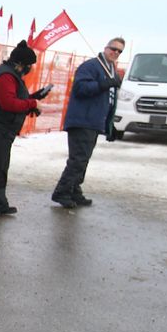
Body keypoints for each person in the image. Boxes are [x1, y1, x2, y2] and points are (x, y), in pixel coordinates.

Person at [0, 41, 48, 217]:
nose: (30, 69)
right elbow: (8, 103)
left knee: (0, 167)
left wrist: (30, 103)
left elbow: (15, 99)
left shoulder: (12, 75)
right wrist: (32, 102)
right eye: (29, 66)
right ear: (21, 64)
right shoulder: (6, 76)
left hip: (2, 129)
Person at [51, 37, 125, 208]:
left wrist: (109, 123)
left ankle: (74, 190)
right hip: (82, 120)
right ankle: (62, 192)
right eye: (113, 48)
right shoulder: (91, 66)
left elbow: (109, 100)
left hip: (94, 121)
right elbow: (81, 89)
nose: (115, 53)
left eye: (119, 51)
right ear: (106, 47)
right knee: (78, 159)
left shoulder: (111, 68)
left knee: (84, 160)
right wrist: (105, 84)